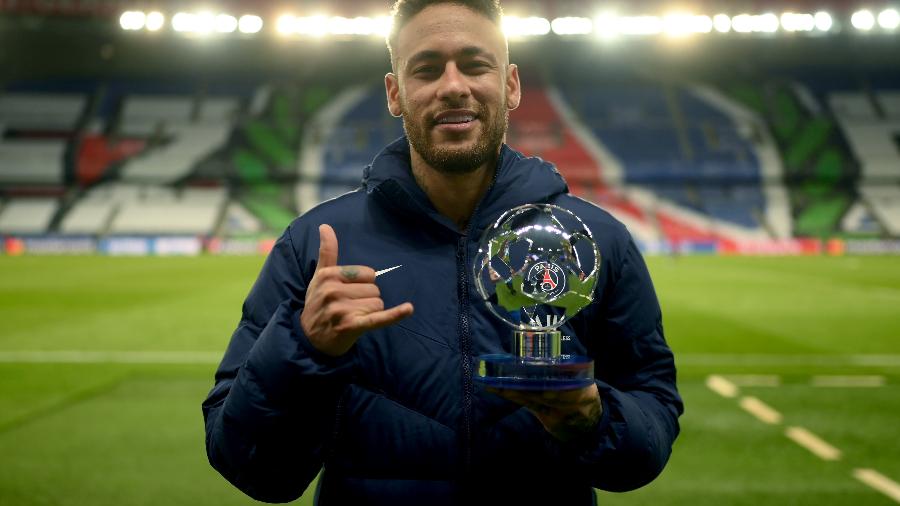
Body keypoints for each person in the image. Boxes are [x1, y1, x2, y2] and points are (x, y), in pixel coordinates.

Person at [202, 1, 683, 504]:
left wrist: (593, 419)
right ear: (396, 93)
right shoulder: (316, 244)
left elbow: (649, 431)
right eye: (427, 69)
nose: (453, 86)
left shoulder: (596, 241)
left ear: (511, 85)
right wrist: (305, 349)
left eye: (475, 65)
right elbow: (250, 465)